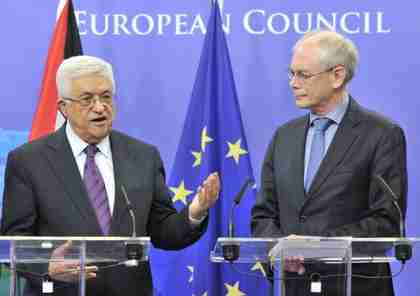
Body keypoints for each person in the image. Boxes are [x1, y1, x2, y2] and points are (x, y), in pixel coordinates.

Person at [0, 55, 220, 296]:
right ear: (63, 108)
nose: (99, 106)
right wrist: (47, 267)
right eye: (87, 99)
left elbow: (164, 233)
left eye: (106, 97)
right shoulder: (29, 161)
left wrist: (194, 212)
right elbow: (15, 241)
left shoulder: (143, 156)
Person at [251, 30, 407, 296]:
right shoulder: (283, 137)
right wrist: (280, 247)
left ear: (338, 75)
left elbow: (386, 221)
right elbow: (263, 214)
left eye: (303, 75)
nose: (293, 83)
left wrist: (315, 245)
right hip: (295, 286)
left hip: (358, 287)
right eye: (291, 73)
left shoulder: (381, 134)